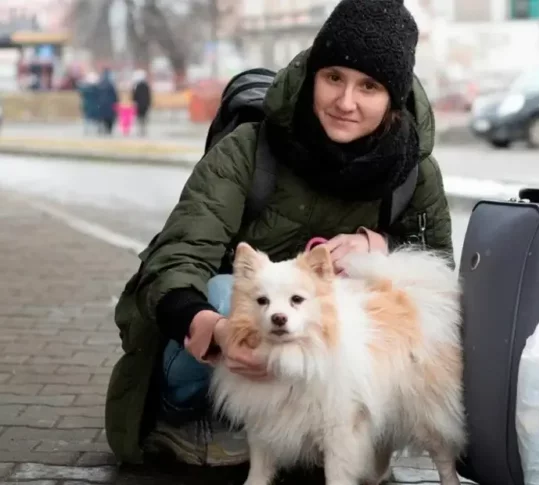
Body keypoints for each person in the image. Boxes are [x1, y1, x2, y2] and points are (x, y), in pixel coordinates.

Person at [104, 0, 453, 477]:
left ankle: (330, 432)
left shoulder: (415, 175)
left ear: (393, 98)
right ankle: (195, 417)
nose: (346, 102)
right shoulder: (249, 149)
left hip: (328, 371)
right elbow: (176, 257)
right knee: (229, 295)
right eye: (333, 77)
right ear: (312, 75)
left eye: (369, 87)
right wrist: (216, 330)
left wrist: (381, 251)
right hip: (212, 348)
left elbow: (438, 283)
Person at [96, 68, 118, 135]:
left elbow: (97, 94)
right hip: (109, 104)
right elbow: (114, 94)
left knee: (103, 117)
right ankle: (109, 130)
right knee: (109, 118)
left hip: (102, 104)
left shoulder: (100, 83)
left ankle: (103, 129)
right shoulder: (111, 84)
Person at [131, 69, 151, 136]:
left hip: (139, 105)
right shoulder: (146, 86)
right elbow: (148, 96)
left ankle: (140, 130)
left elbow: (134, 96)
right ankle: (143, 130)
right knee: (144, 118)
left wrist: (134, 102)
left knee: (139, 118)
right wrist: (148, 103)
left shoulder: (136, 86)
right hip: (144, 104)